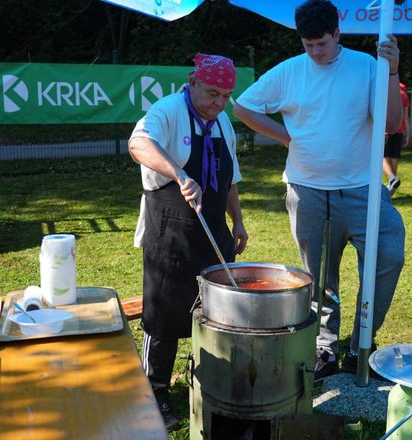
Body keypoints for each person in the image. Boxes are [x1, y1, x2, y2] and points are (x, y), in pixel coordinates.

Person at [233, 0, 405, 380]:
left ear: (337, 33)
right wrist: (285, 137)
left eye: (322, 44)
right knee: (319, 275)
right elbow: (243, 107)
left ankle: (363, 341)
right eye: (307, 44)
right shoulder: (290, 71)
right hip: (307, 191)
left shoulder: (366, 65)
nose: (315, 52)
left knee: (388, 254)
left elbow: (392, 122)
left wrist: (391, 71)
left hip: (362, 191)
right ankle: (325, 347)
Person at [128, 53, 248, 431]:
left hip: (213, 232)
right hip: (170, 232)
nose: (219, 102)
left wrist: (238, 220)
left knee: (217, 310)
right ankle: (155, 391)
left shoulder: (222, 121)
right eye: (212, 93)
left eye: (226, 96)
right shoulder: (167, 110)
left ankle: (208, 378)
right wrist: (178, 172)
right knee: (164, 314)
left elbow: (230, 178)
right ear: (193, 82)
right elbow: (139, 144)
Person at [383, 82, 410, 195]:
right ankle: (392, 184)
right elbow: (406, 117)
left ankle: (392, 178)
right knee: (394, 157)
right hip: (399, 130)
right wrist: (407, 134)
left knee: (382, 157)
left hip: (386, 131)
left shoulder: (385, 93)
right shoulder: (404, 95)